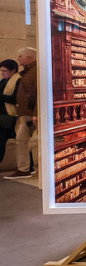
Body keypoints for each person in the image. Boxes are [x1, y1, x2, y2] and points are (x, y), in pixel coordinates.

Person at [5, 48, 37, 179]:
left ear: (29, 58)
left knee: (26, 141)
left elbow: (38, 93)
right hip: (25, 112)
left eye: (20, 57)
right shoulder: (28, 71)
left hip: (30, 113)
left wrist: (36, 113)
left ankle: (26, 169)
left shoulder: (34, 72)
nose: (18, 59)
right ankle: (24, 169)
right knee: (22, 140)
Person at [0, 59, 21, 166]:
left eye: (5, 71)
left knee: (1, 139)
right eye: (1, 71)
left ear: (13, 71)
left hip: (10, 117)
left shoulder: (18, 81)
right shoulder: (3, 81)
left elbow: (16, 99)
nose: (2, 73)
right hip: (2, 116)